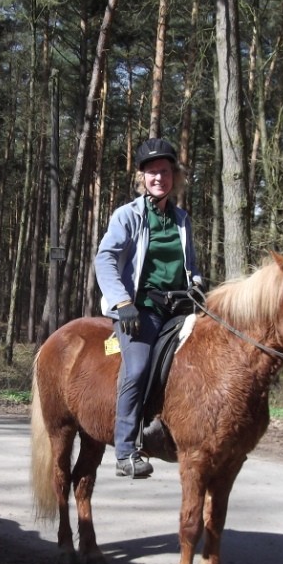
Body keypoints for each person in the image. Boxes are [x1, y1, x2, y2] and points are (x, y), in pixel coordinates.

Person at [94, 138, 200, 478]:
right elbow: (105, 258)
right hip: (140, 309)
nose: (159, 178)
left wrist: (197, 286)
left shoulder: (182, 219)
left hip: (180, 308)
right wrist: (121, 301)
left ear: (174, 176)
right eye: (152, 173)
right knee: (137, 369)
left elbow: (192, 266)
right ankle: (126, 450)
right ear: (142, 177)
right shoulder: (127, 215)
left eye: (165, 172)